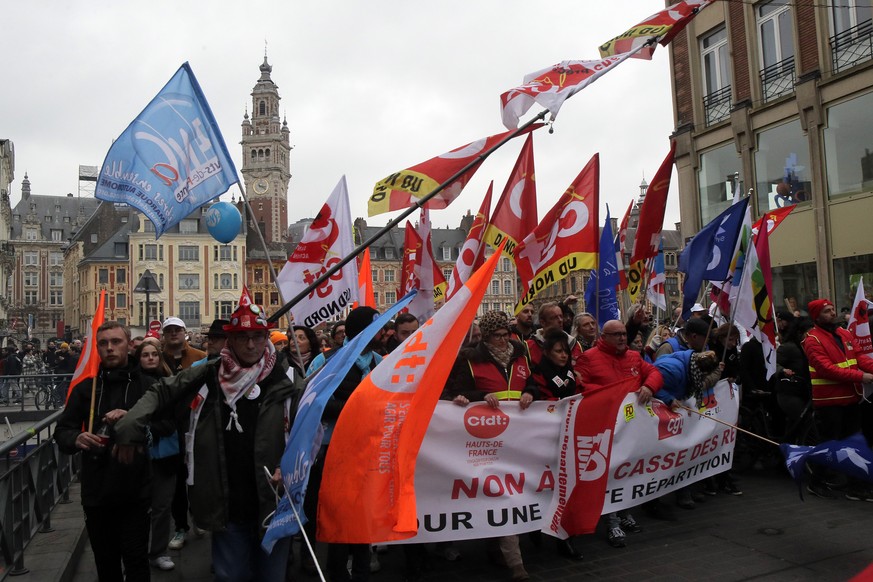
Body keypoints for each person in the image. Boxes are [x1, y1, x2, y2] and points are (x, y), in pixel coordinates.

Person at [114, 299, 303, 582]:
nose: (251, 345)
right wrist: (129, 428)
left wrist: (290, 466)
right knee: (231, 576)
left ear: (266, 337)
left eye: (257, 336)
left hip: (273, 501)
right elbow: (162, 392)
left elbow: (307, 429)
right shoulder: (209, 373)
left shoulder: (286, 378)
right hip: (226, 501)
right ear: (231, 339)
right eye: (242, 337)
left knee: (272, 576)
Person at [54, 321, 152, 581]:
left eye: (116, 342)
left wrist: (132, 418)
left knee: (136, 560)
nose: (110, 348)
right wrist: (76, 437)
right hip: (97, 491)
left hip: (135, 489)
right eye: (103, 343)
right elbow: (62, 431)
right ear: (97, 348)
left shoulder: (147, 386)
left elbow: (166, 426)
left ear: (129, 345)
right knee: (106, 563)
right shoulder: (86, 389)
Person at [444, 311, 536, 581]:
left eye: (506, 334)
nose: (503, 340)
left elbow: (532, 383)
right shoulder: (470, 359)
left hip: (518, 439)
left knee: (511, 493)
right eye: (497, 336)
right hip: (486, 440)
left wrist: (531, 393)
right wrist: (481, 396)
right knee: (498, 495)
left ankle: (501, 548)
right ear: (485, 337)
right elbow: (455, 392)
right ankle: (514, 562)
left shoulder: (520, 355)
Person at [307, 306, 384, 582]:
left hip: (368, 449)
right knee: (338, 517)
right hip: (333, 450)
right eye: (375, 329)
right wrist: (355, 409)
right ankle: (337, 572)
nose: (381, 334)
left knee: (362, 516)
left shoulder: (380, 361)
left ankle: (362, 571)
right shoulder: (328, 361)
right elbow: (312, 401)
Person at [576, 319, 663, 548]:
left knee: (626, 471)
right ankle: (611, 521)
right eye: (617, 335)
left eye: (624, 333)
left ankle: (624, 512)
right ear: (604, 337)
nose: (623, 338)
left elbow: (654, 372)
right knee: (608, 475)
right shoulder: (588, 358)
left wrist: (649, 386)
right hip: (603, 426)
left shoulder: (634, 356)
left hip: (629, 426)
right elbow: (580, 386)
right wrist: (611, 395)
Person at [802, 298, 873, 500]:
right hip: (829, 402)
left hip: (851, 398)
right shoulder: (812, 340)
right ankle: (816, 482)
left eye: (832, 309)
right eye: (827, 311)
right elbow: (827, 369)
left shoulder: (844, 333)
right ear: (816, 317)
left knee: (855, 444)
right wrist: (861, 376)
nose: (832, 313)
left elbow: (859, 358)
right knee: (830, 444)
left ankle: (856, 487)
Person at [654, 349, 724, 509]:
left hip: (673, 415)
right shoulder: (673, 370)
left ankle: (684, 489)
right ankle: (657, 499)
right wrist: (669, 399)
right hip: (661, 417)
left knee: (683, 453)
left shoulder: (689, 367)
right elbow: (652, 384)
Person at [135, 341, 178, 572]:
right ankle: (137, 552)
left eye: (154, 354)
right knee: (139, 508)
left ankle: (158, 551)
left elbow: (174, 417)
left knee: (162, 506)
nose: (150, 358)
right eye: (145, 355)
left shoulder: (168, 381)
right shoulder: (132, 384)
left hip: (165, 454)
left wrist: (152, 427)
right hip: (140, 455)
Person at [532, 328, 576, 400]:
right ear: (546, 353)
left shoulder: (572, 374)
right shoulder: (537, 376)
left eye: (566, 351)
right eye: (559, 351)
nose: (564, 355)